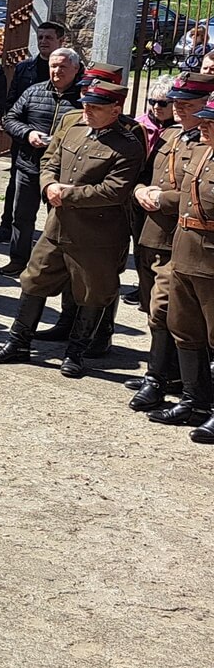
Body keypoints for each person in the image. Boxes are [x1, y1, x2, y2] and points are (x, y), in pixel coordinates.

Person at [0, 81, 143, 377]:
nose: (87, 110)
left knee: (92, 292)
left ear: (115, 110)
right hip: (58, 227)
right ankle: (18, 341)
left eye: (95, 107)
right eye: (86, 104)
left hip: (96, 235)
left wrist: (66, 194)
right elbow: (50, 160)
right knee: (34, 279)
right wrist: (48, 184)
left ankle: (76, 353)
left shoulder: (128, 144)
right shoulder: (74, 128)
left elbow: (115, 191)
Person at [127, 76, 210, 415]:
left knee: (165, 310)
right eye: (176, 103)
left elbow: (197, 196)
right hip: (152, 235)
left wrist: (161, 199)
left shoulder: (207, 143)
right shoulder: (172, 135)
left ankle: (158, 378)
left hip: (183, 241)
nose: (177, 108)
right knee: (155, 308)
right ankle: (171, 376)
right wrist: (140, 190)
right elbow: (148, 176)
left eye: (187, 105)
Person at [152, 97, 214, 440]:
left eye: (210, 122)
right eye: (203, 120)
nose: (203, 126)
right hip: (186, 253)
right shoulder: (204, 153)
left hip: (212, 261)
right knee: (184, 328)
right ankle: (194, 401)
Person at [0, 47, 84, 275]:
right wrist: (28, 134)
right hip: (29, 166)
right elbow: (10, 119)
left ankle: (53, 266)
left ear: (75, 69)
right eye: (53, 66)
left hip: (62, 172)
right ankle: (18, 259)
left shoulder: (84, 99)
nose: (57, 71)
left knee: (59, 221)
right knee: (22, 217)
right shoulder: (33, 92)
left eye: (63, 67)